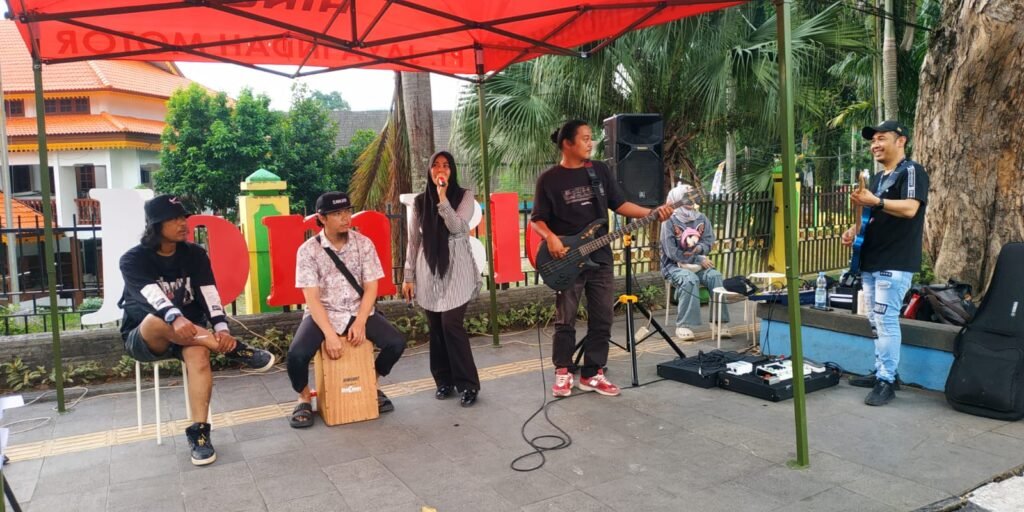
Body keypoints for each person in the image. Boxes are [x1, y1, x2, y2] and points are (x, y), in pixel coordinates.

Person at [119, 194, 275, 466]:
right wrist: (175, 318)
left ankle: (200, 434)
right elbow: (152, 296)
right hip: (145, 337)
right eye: (174, 219)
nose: (183, 224)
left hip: (191, 335)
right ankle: (234, 351)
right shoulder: (133, 260)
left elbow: (208, 292)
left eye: (184, 217)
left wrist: (222, 328)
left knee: (200, 356)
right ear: (155, 225)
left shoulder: (195, 255)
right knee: (156, 320)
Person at [531, 119, 673, 398]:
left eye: (591, 138)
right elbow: (537, 219)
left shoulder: (599, 171)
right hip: (566, 258)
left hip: (600, 257)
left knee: (603, 317)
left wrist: (652, 213)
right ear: (567, 143)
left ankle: (592, 373)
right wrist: (551, 237)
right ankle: (563, 371)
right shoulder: (549, 179)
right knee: (565, 319)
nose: (590, 143)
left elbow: (620, 204)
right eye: (584, 138)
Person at [287, 191, 406, 427]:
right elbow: (312, 298)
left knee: (396, 343)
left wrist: (361, 321)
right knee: (296, 355)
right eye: (337, 213)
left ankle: (371, 382)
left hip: (357, 310)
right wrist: (329, 334)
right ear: (321, 218)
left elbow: (371, 287)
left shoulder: (364, 244)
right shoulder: (308, 251)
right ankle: (303, 397)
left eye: (347, 212)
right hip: (324, 312)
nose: (345, 218)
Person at [841, 120, 929, 406]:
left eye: (881, 138)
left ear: (900, 141)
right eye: (872, 141)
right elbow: (872, 217)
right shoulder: (879, 178)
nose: (875, 145)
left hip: (895, 260)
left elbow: (911, 208)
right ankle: (883, 371)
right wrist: (853, 231)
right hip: (871, 259)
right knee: (874, 320)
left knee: (886, 319)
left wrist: (876, 201)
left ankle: (886, 381)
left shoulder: (911, 171)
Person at [402, 151, 483, 407]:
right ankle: (443, 381)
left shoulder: (465, 196)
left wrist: (443, 198)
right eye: (436, 165)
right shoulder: (419, 202)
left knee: (451, 324)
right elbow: (413, 241)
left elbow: (458, 228)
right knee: (436, 327)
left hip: (457, 269)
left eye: (446, 166)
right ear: (429, 170)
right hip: (429, 270)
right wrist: (408, 276)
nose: (441, 170)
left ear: (452, 170)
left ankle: (468, 384)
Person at [659, 183, 730, 341]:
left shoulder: (701, 218)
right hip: (673, 266)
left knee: (715, 276)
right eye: (686, 197)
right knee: (690, 279)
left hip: (697, 265)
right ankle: (684, 325)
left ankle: (719, 322)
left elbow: (708, 242)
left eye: (693, 196)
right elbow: (672, 253)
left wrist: (699, 249)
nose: (691, 200)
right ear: (677, 199)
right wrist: (698, 258)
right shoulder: (669, 221)